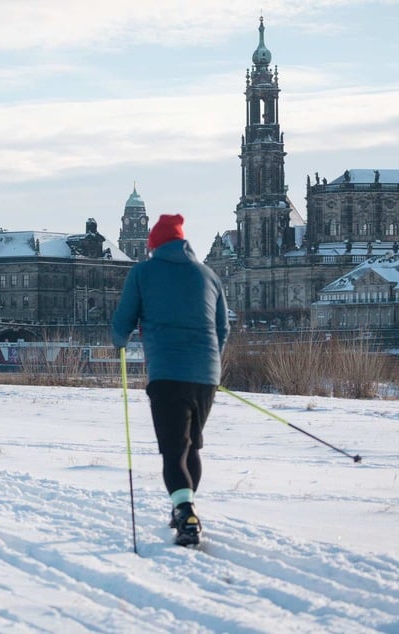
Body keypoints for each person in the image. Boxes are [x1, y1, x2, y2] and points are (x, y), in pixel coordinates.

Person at [111, 214, 230, 547]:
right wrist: (211, 360)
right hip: (206, 375)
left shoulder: (143, 272)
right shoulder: (208, 275)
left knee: (173, 449)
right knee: (191, 445)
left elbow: (123, 321)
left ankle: (186, 511)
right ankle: (183, 506)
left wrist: (119, 340)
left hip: (166, 373)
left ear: (153, 244)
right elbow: (223, 329)